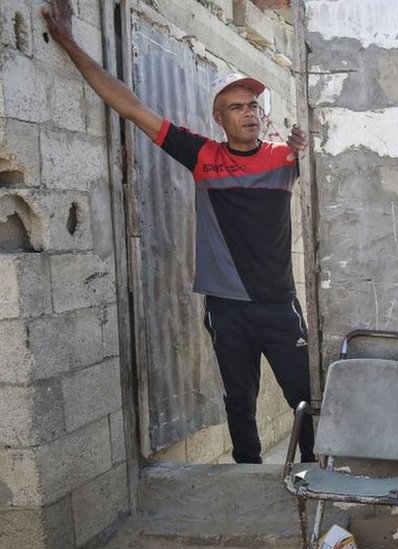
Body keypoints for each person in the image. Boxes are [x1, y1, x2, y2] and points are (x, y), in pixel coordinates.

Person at [42, 0, 314, 463]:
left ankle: (314, 478)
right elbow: (131, 107)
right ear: (219, 118)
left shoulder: (283, 157)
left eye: (253, 105)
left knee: (307, 402)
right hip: (227, 307)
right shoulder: (202, 155)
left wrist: (303, 148)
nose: (248, 113)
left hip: (279, 305)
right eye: (236, 107)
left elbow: (319, 163)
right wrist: (69, 41)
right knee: (239, 405)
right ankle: (248, 481)